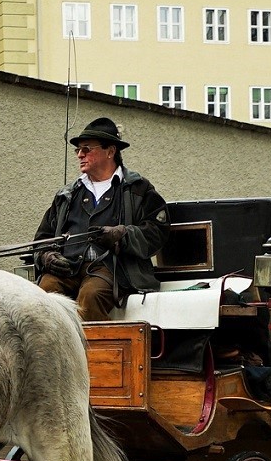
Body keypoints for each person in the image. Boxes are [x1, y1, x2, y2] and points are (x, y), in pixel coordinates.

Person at [33, 117, 170, 321]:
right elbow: (42, 239)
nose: (80, 154)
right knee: (43, 295)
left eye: (87, 149)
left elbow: (157, 232)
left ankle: (95, 353)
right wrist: (46, 257)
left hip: (114, 268)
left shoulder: (138, 189)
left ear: (110, 151)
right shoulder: (67, 195)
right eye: (78, 150)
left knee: (91, 296)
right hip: (68, 267)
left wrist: (122, 235)